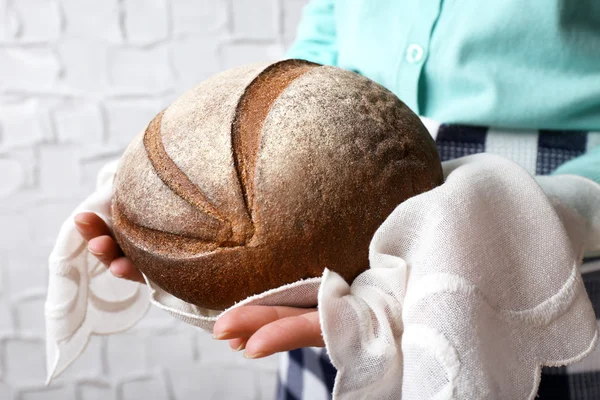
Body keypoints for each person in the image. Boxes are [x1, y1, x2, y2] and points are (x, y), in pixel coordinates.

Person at [74, 0, 600, 398]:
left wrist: (560, 212)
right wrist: (207, 158)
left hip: (553, 209)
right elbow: (323, 44)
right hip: (337, 207)